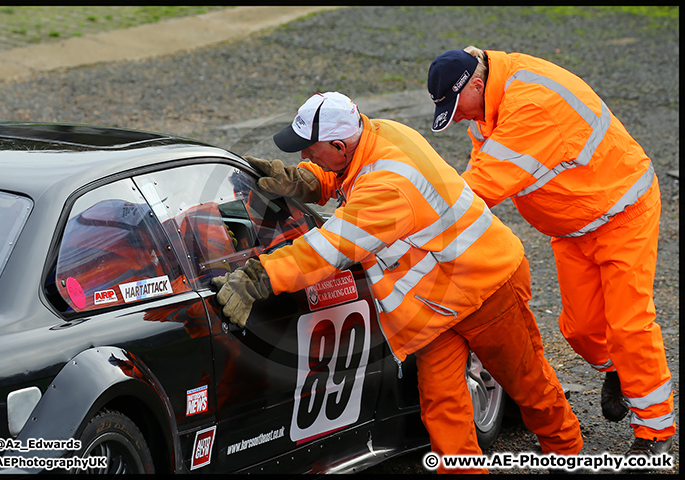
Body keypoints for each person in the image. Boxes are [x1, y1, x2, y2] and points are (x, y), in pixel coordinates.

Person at [212, 91, 582, 474]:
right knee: (443, 407)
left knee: (529, 387)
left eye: (309, 149)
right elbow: (347, 177)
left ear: (339, 144)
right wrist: (305, 182)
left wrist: (259, 277)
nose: (303, 155)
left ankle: (569, 456)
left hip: (486, 289)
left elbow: (328, 249)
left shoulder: (388, 187)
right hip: (438, 304)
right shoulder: (380, 134)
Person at [427, 47, 675, 456]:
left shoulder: (531, 105)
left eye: (456, 107)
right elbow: (477, 174)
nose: (456, 117)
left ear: (475, 83)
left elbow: (482, 187)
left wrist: (412, 221)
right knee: (580, 330)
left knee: (629, 325)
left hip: (623, 213)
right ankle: (617, 369)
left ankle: (655, 432)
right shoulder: (490, 101)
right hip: (572, 228)